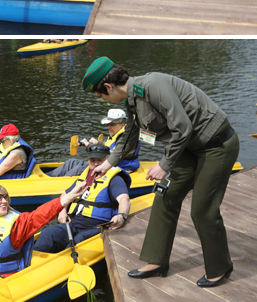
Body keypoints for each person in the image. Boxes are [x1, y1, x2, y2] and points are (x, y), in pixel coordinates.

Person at [82, 56, 240, 288]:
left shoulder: (153, 86)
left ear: (108, 86)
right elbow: (129, 137)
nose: (104, 100)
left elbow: (183, 127)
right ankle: (157, 262)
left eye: (101, 96)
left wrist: (164, 164)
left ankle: (220, 267)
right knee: (165, 196)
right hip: (188, 149)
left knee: (202, 210)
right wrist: (109, 163)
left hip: (216, 146)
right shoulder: (133, 99)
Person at [35, 144, 131, 253]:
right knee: (47, 234)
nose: (96, 163)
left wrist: (121, 216)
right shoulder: (87, 175)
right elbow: (65, 195)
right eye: (92, 160)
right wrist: (62, 212)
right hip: (73, 224)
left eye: (100, 160)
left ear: (108, 160)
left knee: (76, 243)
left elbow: (124, 199)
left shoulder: (115, 179)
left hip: (96, 228)